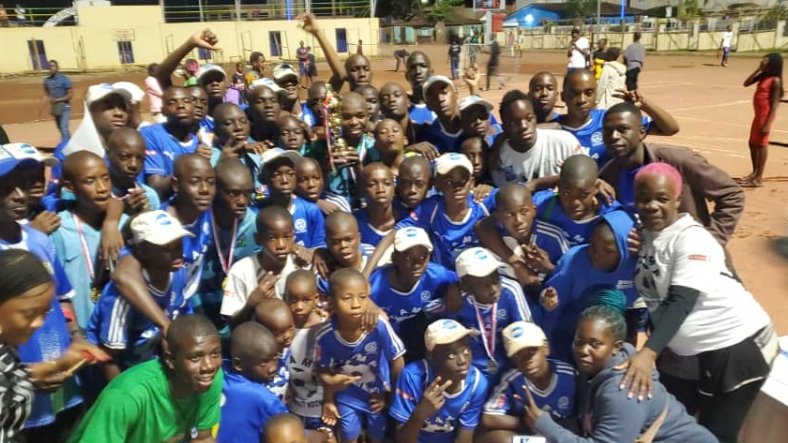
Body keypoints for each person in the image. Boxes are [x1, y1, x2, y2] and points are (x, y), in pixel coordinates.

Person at [621, 163, 777, 442]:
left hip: (735, 348)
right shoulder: (648, 235)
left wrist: (648, 353)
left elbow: (682, 301)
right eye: (644, 199)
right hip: (687, 355)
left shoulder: (692, 239)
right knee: (667, 424)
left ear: (677, 200)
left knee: (714, 434)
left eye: (662, 198)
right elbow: (658, 291)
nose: (652, 205)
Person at [524, 305, 718, 442]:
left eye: (595, 344)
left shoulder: (622, 390)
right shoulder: (591, 369)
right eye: (579, 341)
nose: (583, 350)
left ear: (615, 348)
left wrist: (546, 425)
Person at [0, 250, 108, 442]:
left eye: (45, 311)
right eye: (29, 313)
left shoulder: (6, 345)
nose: (39, 323)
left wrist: (58, 363)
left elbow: (11, 377)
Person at [600, 102, 743, 245]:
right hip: (646, 257)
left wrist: (710, 241)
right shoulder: (608, 174)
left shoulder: (679, 161)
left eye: (623, 129)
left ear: (642, 132)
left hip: (687, 253)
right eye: (607, 131)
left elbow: (732, 194)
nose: (614, 136)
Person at [68, 315, 224, 443]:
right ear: (170, 360)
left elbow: (202, 438)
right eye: (195, 357)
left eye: (215, 354)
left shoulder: (210, 379)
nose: (209, 366)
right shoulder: (127, 397)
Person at [86, 210, 193, 376]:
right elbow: (107, 356)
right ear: (142, 251)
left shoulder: (178, 272)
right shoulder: (122, 298)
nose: (177, 252)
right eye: (167, 247)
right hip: (121, 372)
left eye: (178, 244)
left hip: (150, 365)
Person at [539, 210, 644, 362]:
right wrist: (549, 302)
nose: (597, 254)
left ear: (625, 250)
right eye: (592, 246)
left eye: (608, 251)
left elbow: (644, 307)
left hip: (613, 341)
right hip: (571, 337)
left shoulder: (636, 266)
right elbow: (552, 305)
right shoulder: (574, 260)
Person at [314, 270, 405, 443]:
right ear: (331, 301)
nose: (356, 304)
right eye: (347, 298)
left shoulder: (379, 325)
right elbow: (321, 369)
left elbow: (398, 360)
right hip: (347, 395)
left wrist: (389, 395)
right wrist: (329, 393)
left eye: (362, 297)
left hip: (376, 394)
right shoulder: (325, 334)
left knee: (377, 434)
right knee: (348, 435)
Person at [51, 152, 124, 330]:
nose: (102, 188)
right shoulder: (59, 230)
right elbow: (56, 290)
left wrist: (112, 223)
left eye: (106, 179)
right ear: (71, 186)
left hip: (119, 329)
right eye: (89, 181)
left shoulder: (125, 224)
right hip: (81, 330)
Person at [389, 318, 489, 443]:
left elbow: (464, 437)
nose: (463, 361)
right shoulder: (412, 377)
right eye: (452, 354)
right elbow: (402, 440)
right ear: (431, 356)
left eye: (466, 351)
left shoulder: (477, 384)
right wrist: (420, 414)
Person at [368, 227, 460, 359]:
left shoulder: (437, 274)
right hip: (388, 348)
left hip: (421, 343)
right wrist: (367, 303)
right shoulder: (375, 285)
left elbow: (461, 279)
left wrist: (455, 287)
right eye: (408, 256)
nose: (417, 263)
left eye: (423, 256)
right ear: (394, 258)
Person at [559, 69, 679, 167]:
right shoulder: (552, 128)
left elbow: (670, 129)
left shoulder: (609, 120)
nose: (582, 100)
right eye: (575, 93)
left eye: (589, 93)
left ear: (596, 95)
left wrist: (645, 104)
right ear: (563, 96)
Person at [480, 321, 576, 441]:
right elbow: (488, 417)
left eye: (532, 351)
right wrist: (526, 423)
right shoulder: (512, 380)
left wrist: (545, 424)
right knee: (497, 438)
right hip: (532, 436)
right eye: (518, 355)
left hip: (563, 434)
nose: (527, 360)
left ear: (546, 348)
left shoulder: (568, 374)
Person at [446, 247, 531, 380]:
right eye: (484, 285)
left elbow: (525, 334)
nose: (493, 289)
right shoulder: (457, 299)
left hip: (510, 360)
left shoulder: (511, 290)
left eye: (496, 280)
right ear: (467, 286)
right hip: (473, 365)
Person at [220, 206, 301, 325]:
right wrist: (252, 303)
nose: (281, 245)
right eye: (272, 238)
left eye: (287, 236)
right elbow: (232, 324)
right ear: (258, 239)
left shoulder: (300, 265)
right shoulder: (241, 271)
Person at [492, 89, 582, 187]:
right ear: (504, 127)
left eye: (529, 118)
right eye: (515, 122)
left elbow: (588, 176)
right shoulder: (499, 157)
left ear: (535, 119)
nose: (523, 126)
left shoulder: (565, 142)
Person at [217, 322, 287, 442]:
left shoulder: (212, 374)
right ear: (238, 364)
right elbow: (289, 431)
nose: (273, 368)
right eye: (264, 362)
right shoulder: (266, 400)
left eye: (275, 358)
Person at [283, 270, 327, 431]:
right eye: (293, 300)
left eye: (306, 300)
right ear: (284, 298)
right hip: (293, 410)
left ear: (316, 299)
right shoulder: (282, 330)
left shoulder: (326, 329)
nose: (299, 306)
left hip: (323, 413)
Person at [259, 148, 326, 248]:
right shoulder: (257, 213)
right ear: (263, 179)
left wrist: (313, 253)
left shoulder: (310, 210)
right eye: (276, 175)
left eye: (290, 174)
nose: (285, 180)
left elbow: (320, 245)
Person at [141, 86, 199, 199]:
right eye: (172, 102)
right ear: (163, 111)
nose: (181, 105)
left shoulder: (200, 143)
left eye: (186, 101)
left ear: (194, 108)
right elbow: (155, 186)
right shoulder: (151, 134)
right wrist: (193, 163)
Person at [740, 52, 783, 187]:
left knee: (761, 145)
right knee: (752, 143)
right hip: (757, 115)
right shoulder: (764, 76)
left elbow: (775, 104)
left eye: (766, 60)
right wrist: (759, 69)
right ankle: (754, 172)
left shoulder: (775, 80)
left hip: (765, 116)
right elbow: (746, 83)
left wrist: (767, 124)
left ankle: (758, 178)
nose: (763, 61)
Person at [105, 128, 160, 215]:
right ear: (108, 153)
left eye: (140, 158)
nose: (134, 165)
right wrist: (122, 212)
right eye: (124, 157)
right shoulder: (99, 194)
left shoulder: (149, 196)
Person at [252, 299, 296, 400]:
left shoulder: (287, 350)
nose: (287, 336)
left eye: (290, 328)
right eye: (278, 333)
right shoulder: (256, 361)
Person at [41, 60, 73, 144]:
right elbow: (46, 94)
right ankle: (70, 144)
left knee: (63, 128)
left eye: (53, 66)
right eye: (50, 66)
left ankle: (65, 146)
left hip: (65, 106)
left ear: (57, 68)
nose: (51, 68)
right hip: (55, 108)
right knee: (60, 128)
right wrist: (41, 107)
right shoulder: (47, 81)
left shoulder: (64, 79)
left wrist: (57, 100)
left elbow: (70, 95)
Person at [405, 51, 437, 124]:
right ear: (406, 76)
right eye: (412, 67)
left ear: (431, 72)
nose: (418, 71)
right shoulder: (401, 108)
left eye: (423, 65)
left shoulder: (442, 105)